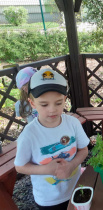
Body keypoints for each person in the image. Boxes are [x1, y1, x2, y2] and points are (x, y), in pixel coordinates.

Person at [14, 69, 89, 210]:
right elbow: (20, 166)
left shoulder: (73, 123)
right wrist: (47, 169)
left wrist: (72, 165)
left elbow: (83, 149)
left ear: (65, 100)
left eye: (58, 103)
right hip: (48, 199)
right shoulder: (29, 134)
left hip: (76, 188)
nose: (52, 110)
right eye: (44, 104)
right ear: (32, 103)